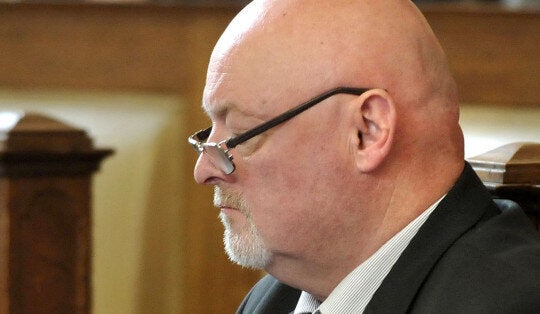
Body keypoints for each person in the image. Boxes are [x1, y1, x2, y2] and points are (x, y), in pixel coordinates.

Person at [188, 0, 540, 313]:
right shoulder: (275, 299)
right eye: (209, 135)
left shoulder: (508, 301)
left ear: (367, 132)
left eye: (238, 135)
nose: (203, 170)